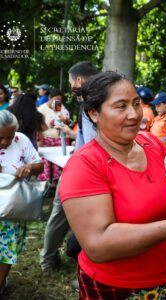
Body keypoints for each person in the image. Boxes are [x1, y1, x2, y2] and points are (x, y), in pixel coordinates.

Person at [59, 71, 166, 299]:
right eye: (121, 106)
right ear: (94, 113)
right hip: (118, 287)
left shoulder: (150, 143)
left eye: (136, 103)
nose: (134, 114)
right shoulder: (85, 165)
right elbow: (97, 244)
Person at [40, 61, 99, 273]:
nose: (71, 85)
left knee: (59, 212)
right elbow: (87, 139)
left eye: (71, 81)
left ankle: (50, 259)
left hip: (85, 170)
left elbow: (93, 142)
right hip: (87, 166)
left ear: (79, 80)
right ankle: (55, 257)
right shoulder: (97, 100)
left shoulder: (92, 103)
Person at [0, 110, 44, 292]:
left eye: (9, 137)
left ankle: (0, 282)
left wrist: (29, 168)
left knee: (7, 251)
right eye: (0, 138)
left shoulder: (21, 140)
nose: (4, 142)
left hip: (12, 208)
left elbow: (39, 166)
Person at [36, 89, 72, 184]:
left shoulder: (58, 107)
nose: (57, 102)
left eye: (60, 100)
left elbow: (66, 121)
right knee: (48, 163)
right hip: (47, 139)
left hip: (61, 139)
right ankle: (48, 183)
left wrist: (66, 120)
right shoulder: (41, 109)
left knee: (60, 162)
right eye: (56, 99)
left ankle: (59, 183)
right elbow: (39, 127)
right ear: (49, 98)